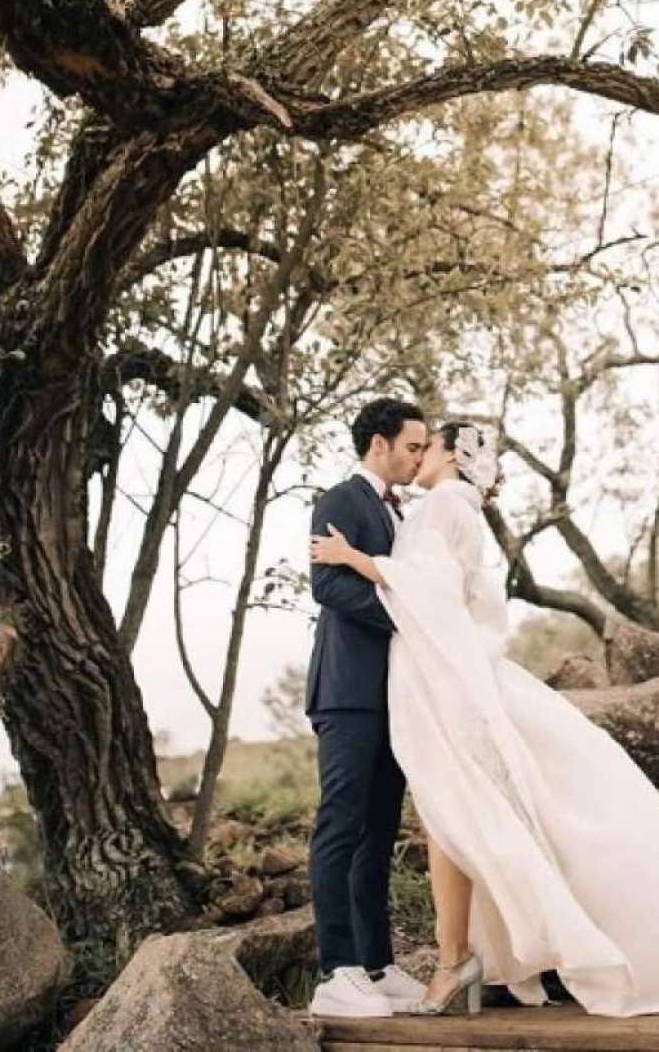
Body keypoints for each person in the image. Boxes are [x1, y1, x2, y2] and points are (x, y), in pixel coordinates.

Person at [310, 420, 659, 1019]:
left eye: (427, 445)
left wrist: (355, 558)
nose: (418, 454)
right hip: (417, 682)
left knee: (456, 813)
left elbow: (435, 594)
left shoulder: (442, 506)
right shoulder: (425, 505)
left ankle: (466, 956)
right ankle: (436, 958)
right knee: (453, 816)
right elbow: (445, 597)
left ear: (452, 456)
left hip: (441, 682)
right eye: (414, 443)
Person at [305, 398, 431, 1019]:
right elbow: (326, 584)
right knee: (341, 825)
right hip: (349, 693)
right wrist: (409, 617)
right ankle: (338, 970)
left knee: (378, 832)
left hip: (396, 697)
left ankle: (376, 965)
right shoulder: (340, 500)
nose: (418, 457)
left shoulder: (407, 513)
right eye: (412, 446)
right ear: (378, 445)